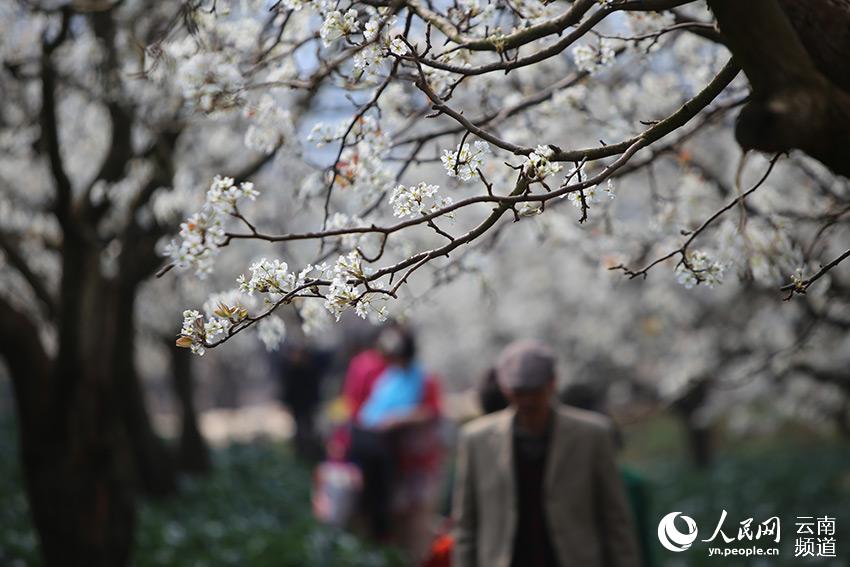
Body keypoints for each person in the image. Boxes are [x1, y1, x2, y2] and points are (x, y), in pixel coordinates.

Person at [452, 340, 641, 567]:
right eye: (519, 392)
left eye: (534, 391)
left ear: (552, 383)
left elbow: (615, 519)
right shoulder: (477, 440)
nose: (528, 401)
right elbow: (466, 525)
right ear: (505, 388)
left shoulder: (592, 435)